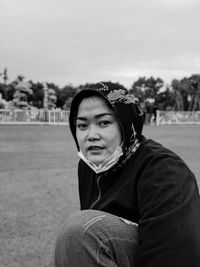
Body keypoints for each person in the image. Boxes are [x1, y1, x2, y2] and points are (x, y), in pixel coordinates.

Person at [55, 82, 200, 267]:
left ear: (126, 122)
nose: (91, 135)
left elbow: (176, 254)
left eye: (104, 123)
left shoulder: (164, 170)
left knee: (81, 232)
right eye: (82, 126)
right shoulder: (88, 167)